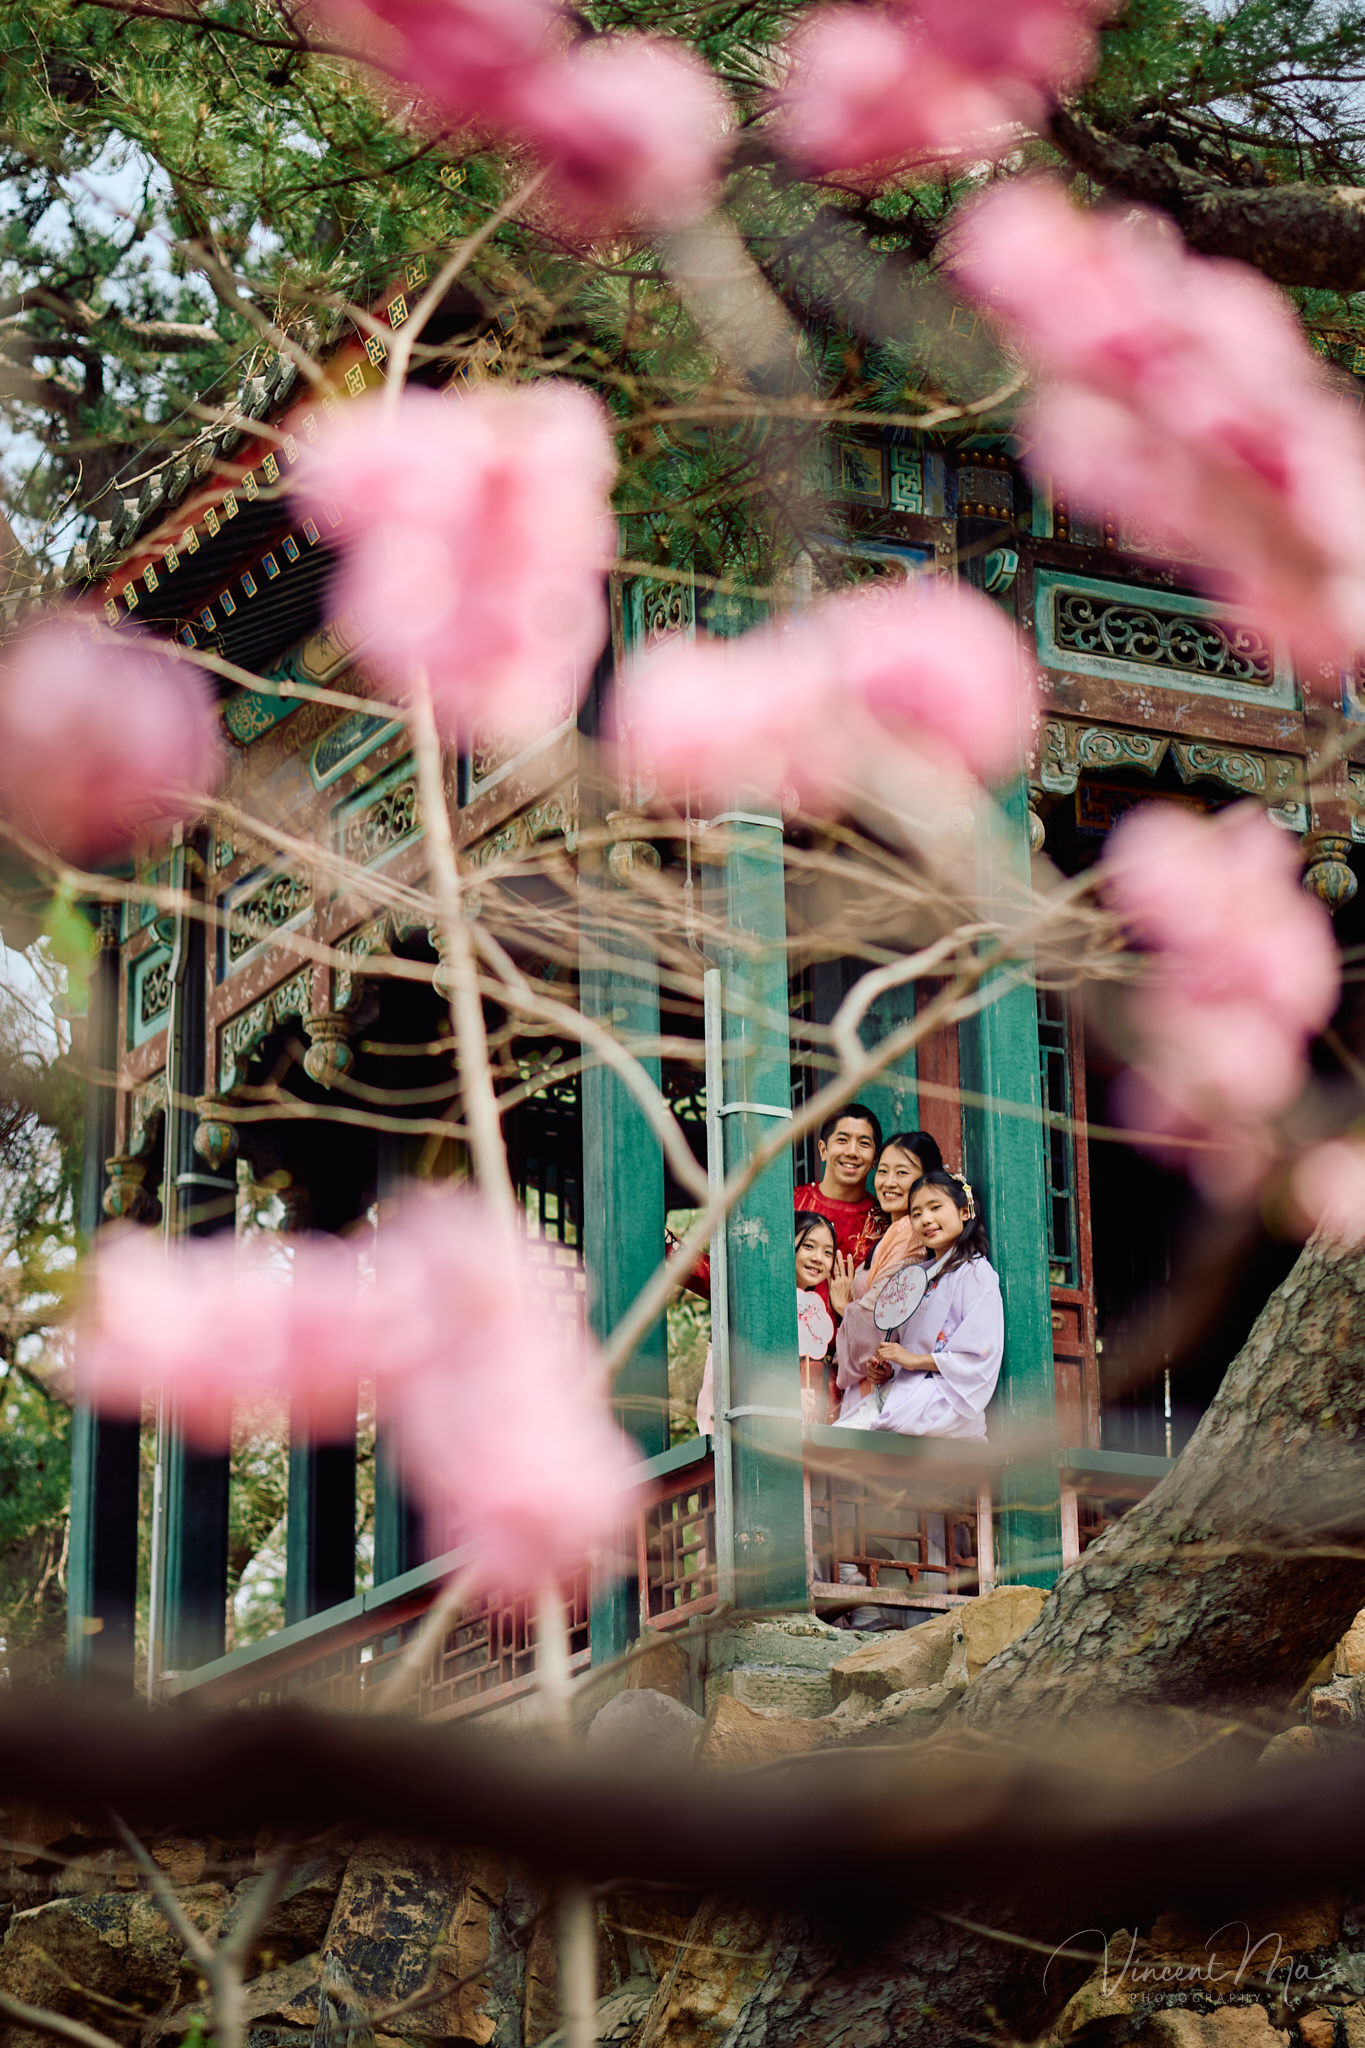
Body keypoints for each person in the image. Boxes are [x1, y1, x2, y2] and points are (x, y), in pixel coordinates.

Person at [834, 1169, 1002, 1441]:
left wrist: (913, 1361)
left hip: (946, 1398)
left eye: (935, 1207)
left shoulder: (975, 1272)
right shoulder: (918, 1278)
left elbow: (979, 1355)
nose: (926, 1219)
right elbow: (907, 1352)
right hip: (909, 1390)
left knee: (855, 1438)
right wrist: (888, 1369)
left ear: (964, 1211)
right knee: (843, 1433)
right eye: (916, 1213)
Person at [695, 1209, 837, 1433]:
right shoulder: (757, 1301)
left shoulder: (816, 1315)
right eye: (808, 1246)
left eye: (828, 1252)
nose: (818, 1258)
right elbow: (736, 1374)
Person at [829, 1130, 945, 1393]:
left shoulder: (912, 1235)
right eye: (882, 1171)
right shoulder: (892, 1233)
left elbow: (878, 1316)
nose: (889, 1182)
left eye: (902, 1173)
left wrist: (844, 1306)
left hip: (887, 1376)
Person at [794, 1104, 886, 1271]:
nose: (852, 1152)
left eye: (864, 1143)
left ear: (875, 1159)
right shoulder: (792, 1203)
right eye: (842, 1140)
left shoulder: (883, 1223)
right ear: (823, 1150)